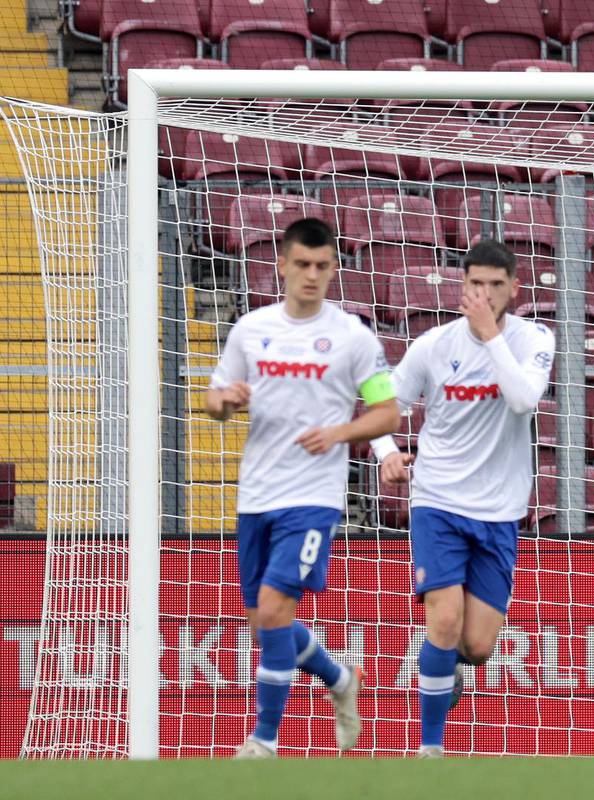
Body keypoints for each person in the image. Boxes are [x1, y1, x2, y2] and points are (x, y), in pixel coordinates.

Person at [205, 217, 401, 759]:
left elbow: (387, 413)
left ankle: (263, 742)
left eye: (322, 266)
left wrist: (341, 432)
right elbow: (214, 400)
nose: (311, 276)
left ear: (334, 269)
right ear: (282, 266)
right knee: (265, 624)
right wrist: (227, 400)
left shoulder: (354, 339)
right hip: (257, 494)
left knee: (272, 611)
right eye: (302, 265)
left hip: (313, 497)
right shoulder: (251, 328)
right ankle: (339, 678)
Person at [371, 239, 555, 758]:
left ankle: (446, 670)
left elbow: (523, 400)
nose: (486, 294)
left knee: (475, 646)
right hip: (438, 499)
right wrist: (386, 451)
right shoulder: (434, 344)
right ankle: (431, 752)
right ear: (463, 286)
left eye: (497, 285)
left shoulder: (533, 338)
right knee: (444, 621)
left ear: (515, 288)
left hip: (499, 510)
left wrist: (491, 336)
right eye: (477, 283)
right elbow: (386, 404)